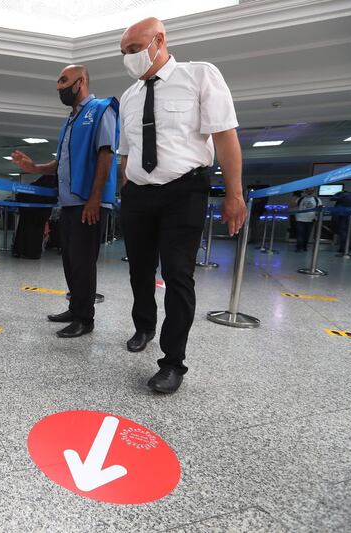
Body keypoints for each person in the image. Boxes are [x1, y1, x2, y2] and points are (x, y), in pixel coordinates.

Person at [118, 17, 247, 393]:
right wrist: (125, 190)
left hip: (184, 191)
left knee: (177, 275)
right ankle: (143, 326)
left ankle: (172, 362)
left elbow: (225, 136)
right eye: (124, 53)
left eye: (133, 49)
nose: (129, 59)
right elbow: (127, 154)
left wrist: (234, 193)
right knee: (139, 270)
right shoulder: (130, 96)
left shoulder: (200, 75)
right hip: (138, 194)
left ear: (159, 40)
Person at [12, 65, 117, 338]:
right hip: (68, 203)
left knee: (83, 263)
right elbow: (61, 163)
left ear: (80, 81)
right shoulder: (70, 120)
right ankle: (75, 308)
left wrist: (94, 199)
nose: (58, 87)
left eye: (63, 81)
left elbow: (106, 155)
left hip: (88, 203)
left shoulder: (101, 109)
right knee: (70, 261)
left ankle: (86, 318)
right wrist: (34, 167)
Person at [14, 174, 57, 259]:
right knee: (35, 236)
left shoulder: (33, 185)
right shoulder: (47, 189)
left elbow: (19, 196)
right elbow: (51, 201)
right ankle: (33, 254)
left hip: (26, 215)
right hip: (38, 216)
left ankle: (19, 251)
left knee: (23, 233)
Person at [330, 188, 351, 253]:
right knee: (347, 231)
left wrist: (338, 193)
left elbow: (332, 198)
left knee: (342, 231)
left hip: (342, 215)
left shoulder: (342, 195)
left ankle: (343, 248)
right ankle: (348, 246)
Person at [294, 188, 321, 252]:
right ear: (305, 191)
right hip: (300, 219)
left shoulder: (317, 199)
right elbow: (292, 205)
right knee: (300, 234)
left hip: (311, 219)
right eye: (308, 190)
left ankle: (304, 246)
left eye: (311, 190)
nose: (310, 192)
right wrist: (295, 196)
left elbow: (319, 208)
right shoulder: (300, 198)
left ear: (314, 191)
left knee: (307, 234)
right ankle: (299, 247)